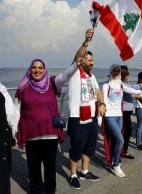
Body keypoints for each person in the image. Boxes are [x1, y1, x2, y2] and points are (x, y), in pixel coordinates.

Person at [15, 57, 82, 194]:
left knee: (50, 166)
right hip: (31, 135)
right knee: (33, 167)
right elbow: (16, 110)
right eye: (34, 67)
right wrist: (15, 131)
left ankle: (50, 191)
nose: (37, 70)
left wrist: (75, 65)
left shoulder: (52, 83)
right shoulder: (23, 87)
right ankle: (36, 191)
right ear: (30, 69)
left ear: (44, 70)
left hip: (50, 134)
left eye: (40, 67)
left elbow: (64, 76)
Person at [67, 29, 106, 190]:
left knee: (90, 146)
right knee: (77, 145)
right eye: (89, 60)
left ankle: (84, 171)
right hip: (77, 117)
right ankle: (73, 175)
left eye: (92, 60)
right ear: (81, 61)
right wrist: (86, 42)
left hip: (91, 117)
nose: (92, 63)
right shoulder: (74, 72)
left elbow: (97, 92)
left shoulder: (92, 76)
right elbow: (78, 56)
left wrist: (102, 104)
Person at [102, 64, 142, 178]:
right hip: (109, 116)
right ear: (110, 72)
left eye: (118, 71)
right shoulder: (106, 85)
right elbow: (103, 102)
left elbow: (132, 90)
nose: (116, 72)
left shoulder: (120, 85)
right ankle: (116, 165)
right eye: (114, 71)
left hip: (119, 116)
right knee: (121, 141)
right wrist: (99, 117)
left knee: (116, 141)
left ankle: (111, 163)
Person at [0, 74, 16, 194]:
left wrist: (12, 135)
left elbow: (10, 115)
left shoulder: (3, 89)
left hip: (5, 134)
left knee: (5, 170)